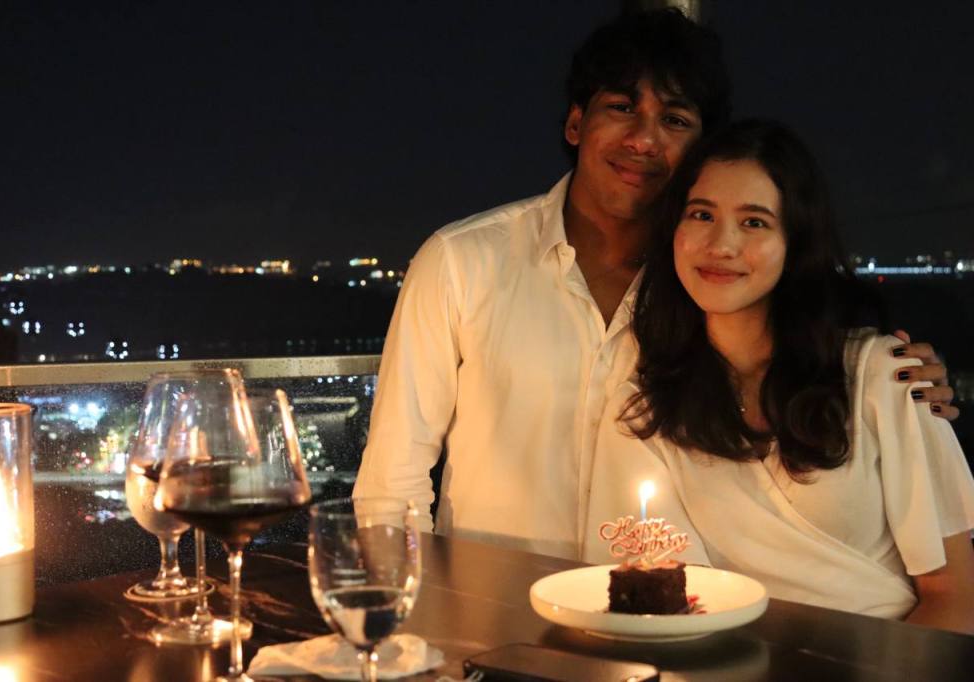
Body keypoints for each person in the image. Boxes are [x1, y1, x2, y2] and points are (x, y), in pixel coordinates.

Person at [353, 9, 955, 561]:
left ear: (700, 148)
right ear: (575, 122)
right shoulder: (462, 262)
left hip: (657, 619)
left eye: (674, 119)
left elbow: (802, 355)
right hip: (490, 615)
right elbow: (392, 486)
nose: (644, 140)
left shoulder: (711, 285)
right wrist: (418, 617)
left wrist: (892, 380)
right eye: (622, 108)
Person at [624, 120, 974, 631]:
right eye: (701, 214)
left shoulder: (879, 375)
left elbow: (956, 598)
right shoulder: (654, 395)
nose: (721, 244)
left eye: (754, 222)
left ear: (795, 243)